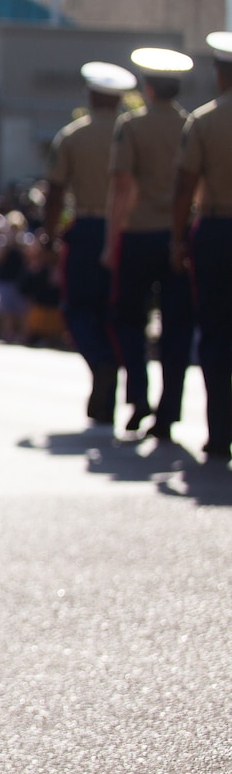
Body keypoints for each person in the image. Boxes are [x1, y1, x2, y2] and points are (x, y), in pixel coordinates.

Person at [106, 48, 194, 443]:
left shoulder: (133, 126)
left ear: (147, 87)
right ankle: (169, 411)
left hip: (140, 232)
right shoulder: (191, 123)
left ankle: (139, 396)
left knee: (129, 320)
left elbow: (122, 187)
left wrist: (112, 241)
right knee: (177, 325)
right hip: (180, 233)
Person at [44, 61, 133, 430]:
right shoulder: (132, 133)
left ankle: (101, 361)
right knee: (114, 310)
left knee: (78, 308)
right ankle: (116, 381)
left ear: (91, 95)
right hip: (128, 230)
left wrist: (50, 234)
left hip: (88, 226)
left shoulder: (73, 135)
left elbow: (54, 190)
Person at [171, 31, 232, 471]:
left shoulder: (204, 121)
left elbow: (184, 188)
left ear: (219, 74)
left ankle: (219, 432)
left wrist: (177, 237)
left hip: (215, 228)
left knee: (214, 332)